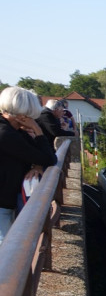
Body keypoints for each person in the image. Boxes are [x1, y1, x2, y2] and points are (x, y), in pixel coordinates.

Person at [0, 86, 57, 244]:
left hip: (6, 201)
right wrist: (37, 130)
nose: (33, 118)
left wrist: (37, 165)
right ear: (22, 114)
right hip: (2, 205)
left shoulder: (13, 131)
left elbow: (43, 156)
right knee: (8, 251)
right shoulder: (6, 134)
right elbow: (50, 158)